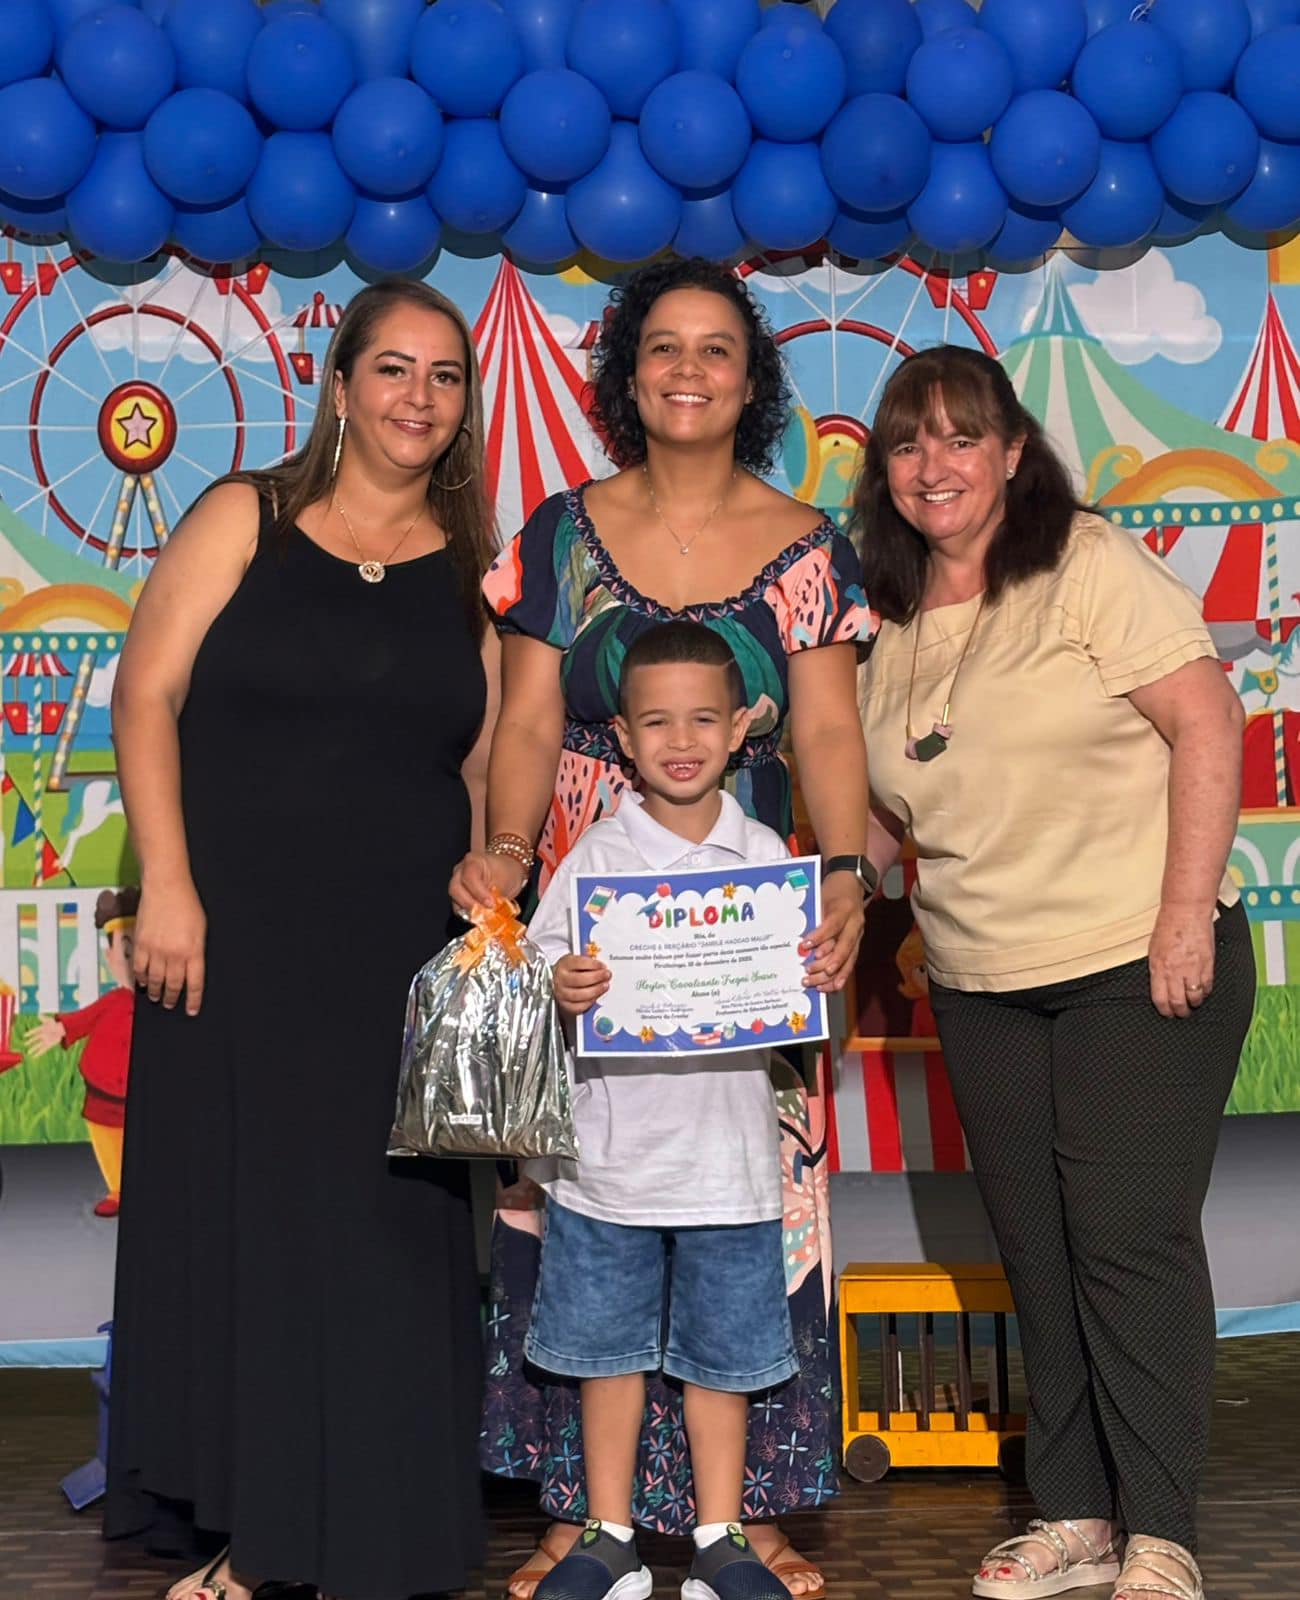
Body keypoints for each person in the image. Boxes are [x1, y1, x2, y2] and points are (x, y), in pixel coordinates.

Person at [453, 257, 875, 1600]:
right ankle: (587, 1514)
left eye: (717, 349)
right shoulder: (561, 531)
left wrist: (845, 877)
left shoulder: (808, 544)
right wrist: (511, 859)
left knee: (749, 1201)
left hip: (754, 917)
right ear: (627, 376)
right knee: (578, 1210)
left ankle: (740, 1515)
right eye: (663, 348)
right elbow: (527, 721)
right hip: (590, 899)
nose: (688, 370)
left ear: (753, 384)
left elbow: (828, 731)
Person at [104, 279, 500, 1600]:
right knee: (254, 1234)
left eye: (443, 376)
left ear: (463, 405)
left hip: (398, 959)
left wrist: (492, 881)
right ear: (340, 384)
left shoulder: (475, 575)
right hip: (232, 944)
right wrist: (166, 885)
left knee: (384, 1240)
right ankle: (255, 1532)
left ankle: (378, 1529)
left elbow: (482, 769)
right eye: (392, 368)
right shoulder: (246, 516)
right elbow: (145, 694)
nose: (416, 398)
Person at [856, 345, 1255, 1600]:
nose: (934, 464)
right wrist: (830, 885)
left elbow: (1209, 718)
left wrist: (1185, 914)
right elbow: (888, 817)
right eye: (908, 442)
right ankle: (1077, 1514)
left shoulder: (1084, 562)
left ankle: (1162, 1532)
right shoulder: (887, 615)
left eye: (960, 436)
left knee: (1127, 1241)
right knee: (1036, 1249)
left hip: (1136, 958)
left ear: (1012, 451)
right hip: (980, 980)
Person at [525, 620, 830, 1600]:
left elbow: (797, 981)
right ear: (622, 736)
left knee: (724, 1362)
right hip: (607, 1163)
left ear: (741, 729)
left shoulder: (766, 854)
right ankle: (608, 1538)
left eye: (703, 718)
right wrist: (561, 982)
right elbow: (539, 962)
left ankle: (720, 1539)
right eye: (656, 721)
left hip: (728, 1164)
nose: (681, 739)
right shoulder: (596, 855)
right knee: (604, 1356)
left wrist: (809, 973)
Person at [28, 886, 140, 1218]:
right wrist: (61, 1028)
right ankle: (118, 1189)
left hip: (144, 1093)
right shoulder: (112, 1002)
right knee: (107, 1141)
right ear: (110, 957)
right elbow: (84, 1019)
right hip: (102, 1093)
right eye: (126, 952)